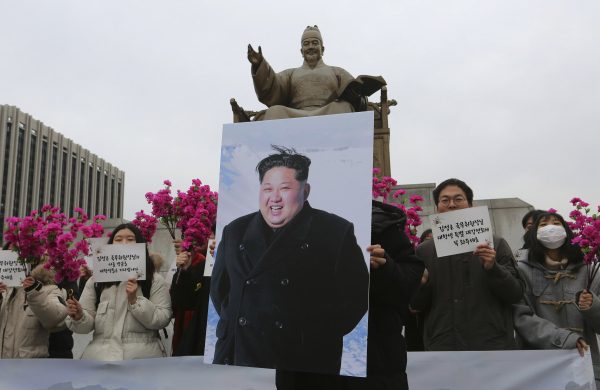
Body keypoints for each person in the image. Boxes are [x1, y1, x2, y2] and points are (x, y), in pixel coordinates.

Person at [210, 146, 369, 374]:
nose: (274, 198)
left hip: (304, 361)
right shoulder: (235, 230)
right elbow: (220, 291)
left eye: (285, 188)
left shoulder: (335, 231)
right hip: (239, 355)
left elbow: (356, 297)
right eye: (267, 189)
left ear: (306, 190)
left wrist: (314, 334)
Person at [411, 178, 524, 350]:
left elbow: (515, 294)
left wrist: (493, 269)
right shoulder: (423, 251)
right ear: (437, 208)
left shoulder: (495, 244)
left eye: (458, 199)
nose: (451, 205)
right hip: (443, 345)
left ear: (470, 205)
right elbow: (415, 306)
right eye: (445, 200)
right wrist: (422, 285)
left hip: (492, 344)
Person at [514, 211, 600, 385]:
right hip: (540, 365)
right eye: (543, 225)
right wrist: (564, 338)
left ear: (567, 231)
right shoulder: (521, 270)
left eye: (556, 223)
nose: (551, 228)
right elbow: (521, 318)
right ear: (533, 234)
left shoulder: (590, 270)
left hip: (584, 364)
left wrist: (592, 306)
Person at [65, 223, 172, 360]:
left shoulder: (154, 280)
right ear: (111, 244)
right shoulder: (96, 281)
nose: (124, 243)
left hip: (142, 361)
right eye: (118, 239)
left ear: (140, 244)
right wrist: (80, 316)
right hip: (99, 360)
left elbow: (162, 319)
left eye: (130, 239)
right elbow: (84, 327)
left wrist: (135, 301)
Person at [247, 26, 384, 120]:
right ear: (301, 51)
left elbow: (355, 94)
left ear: (322, 49)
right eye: (306, 44)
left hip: (328, 113)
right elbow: (272, 87)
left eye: (314, 43)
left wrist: (357, 96)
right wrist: (260, 65)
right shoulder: (291, 73)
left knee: (343, 107)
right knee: (274, 112)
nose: (310, 47)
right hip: (296, 115)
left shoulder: (337, 71)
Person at [0, 253, 68, 358]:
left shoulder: (49, 288)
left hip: (29, 366)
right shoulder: (6, 290)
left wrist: (34, 293)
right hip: (3, 366)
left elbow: (57, 319)